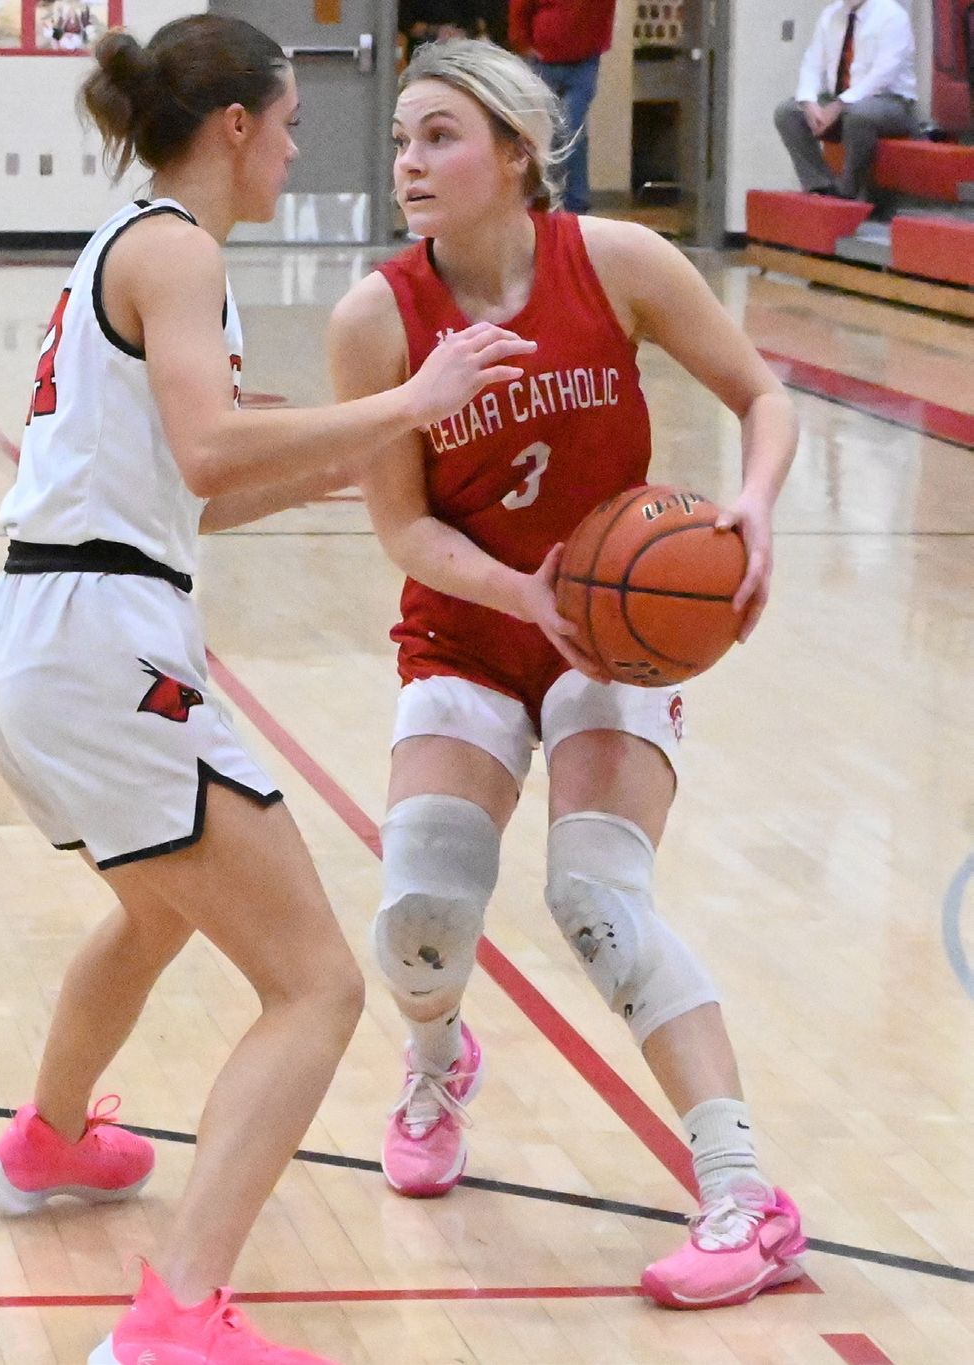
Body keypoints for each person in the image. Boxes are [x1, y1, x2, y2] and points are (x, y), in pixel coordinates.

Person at [0, 17, 534, 1365]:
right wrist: (406, 403)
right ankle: (176, 1319)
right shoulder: (180, 249)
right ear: (234, 127)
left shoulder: (134, 247)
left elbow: (193, 495)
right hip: (104, 644)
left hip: (47, 629)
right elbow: (214, 451)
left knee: (158, 906)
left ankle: (48, 1140)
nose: (295, 144)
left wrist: (362, 462)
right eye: (285, 123)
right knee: (317, 987)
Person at [328, 37, 806, 1310]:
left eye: (439, 137)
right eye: (401, 139)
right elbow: (401, 528)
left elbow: (766, 398)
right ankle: (438, 1059)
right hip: (470, 628)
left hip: (617, 635)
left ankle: (747, 1197)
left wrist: (753, 508)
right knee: (420, 916)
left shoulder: (622, 263)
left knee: (600, 903)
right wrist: (521, 591)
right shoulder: (378, 316)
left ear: (518, 152)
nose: (409, 163)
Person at [774, 0, 917, 201]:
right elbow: (812, 64)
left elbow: (883, 75)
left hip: (891, 102)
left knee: (859, 115)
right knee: (787, 112)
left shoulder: (893, 16)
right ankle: (820, 186)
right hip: (840, 98)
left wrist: (842, 104)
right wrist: (808, 101)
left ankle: (848, 192)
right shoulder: (830, 15)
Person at [509, 0, 617, 213]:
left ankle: (571, 205)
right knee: (545, 131)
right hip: (543, 60)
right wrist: (522, 44)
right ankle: (552, 200)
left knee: (570, 129)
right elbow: (520, 7)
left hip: (584, 61)